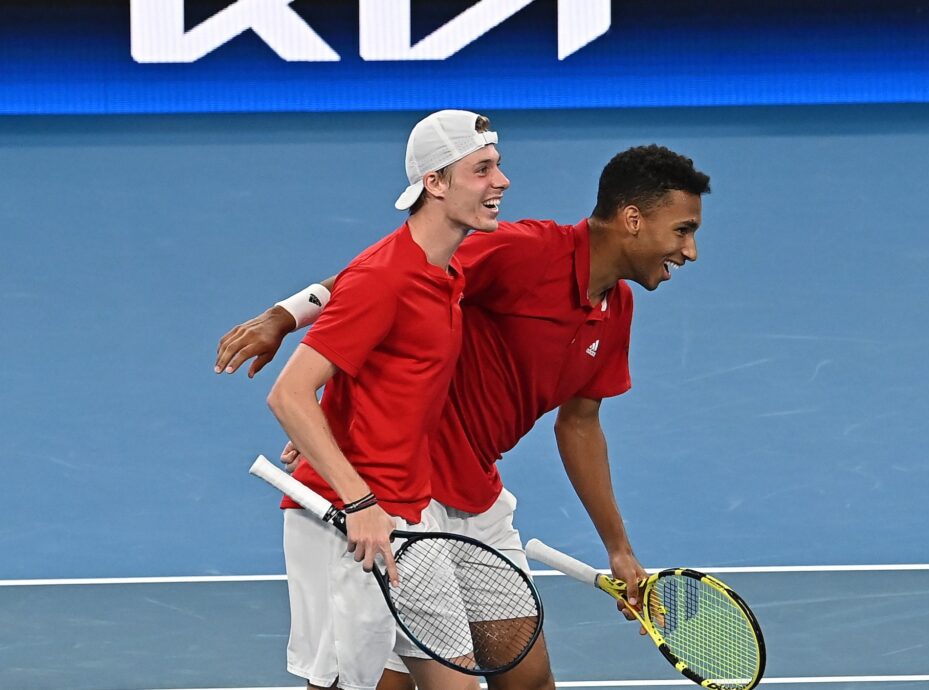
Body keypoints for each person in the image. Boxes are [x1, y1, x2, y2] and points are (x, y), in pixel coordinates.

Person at [217, 144, 710, 690]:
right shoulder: (526, 252)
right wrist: (286, 315)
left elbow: (579, 424)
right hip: (408, 491)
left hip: (477, 492)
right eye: (682, 230)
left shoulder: (616, 309)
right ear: (633, 219)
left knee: (527, 678)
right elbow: (385, 276)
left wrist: (618, 548)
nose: (689, 251)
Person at [262, 109, 509, 690]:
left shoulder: (445, 273)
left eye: (498, 166)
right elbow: (289, 393)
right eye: (483, 169)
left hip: (411, 511)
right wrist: (359, 500)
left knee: (456, 683)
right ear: (436, 183)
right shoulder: (386, 277)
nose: (501, 181)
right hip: (350, 521)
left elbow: (370, 376)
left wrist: (326, 424)